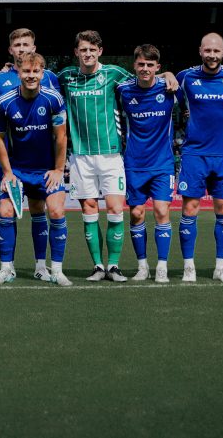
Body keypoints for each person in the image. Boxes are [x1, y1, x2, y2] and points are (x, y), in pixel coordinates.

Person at [0, 28, 61, 280]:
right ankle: (7, 268)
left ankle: (41, 267)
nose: (22, 48)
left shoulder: (49, 79)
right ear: (10, 50)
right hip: (12, 165)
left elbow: (59, 124)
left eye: (27, 44)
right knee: (6, 211)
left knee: (39, 209)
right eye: (17, 44)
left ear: (34, 48)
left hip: (42, 163)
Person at [58, 31, 135, 282]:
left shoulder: (114, 73)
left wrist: (167, 75)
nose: (88, 54)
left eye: (92, 49)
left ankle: (113, 266)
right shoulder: (67, 77)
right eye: (83, 50)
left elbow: (144, 80)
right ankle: (98, 266)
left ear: (100, 51)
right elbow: (36, 79)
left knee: (115, 208)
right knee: (89, 210)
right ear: (76, 52)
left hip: (111, 155)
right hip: (80, 156)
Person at [174, 33, 223, 283]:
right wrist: (165, 74)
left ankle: (221, 268)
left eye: (216, 51)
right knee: (190, 208)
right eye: (208, 50)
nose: (212, 55)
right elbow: (162, 87)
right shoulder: (186, 77)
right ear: (200, 51)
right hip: (194, 153)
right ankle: (188, 267)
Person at [0, 52, 71, 286]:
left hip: (46, 170)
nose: (31, 76)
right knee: (5, 212)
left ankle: (51, 269)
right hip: (17, 170)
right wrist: (7, 172)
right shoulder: (4, 102)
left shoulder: (53, 99)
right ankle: (7, 269)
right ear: (18, 72)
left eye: (35, 72)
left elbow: (61, 137)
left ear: (42, 73)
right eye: (26, 71)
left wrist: (57, 170)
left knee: (54, 211)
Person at [117, 44, 177, 283]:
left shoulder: (171, 88)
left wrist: (169, 75)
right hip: (134, 164)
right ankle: (142, 266)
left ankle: (162, 266)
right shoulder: (122, 90)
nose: (145, 69)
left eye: (150, 65)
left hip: (163, 163)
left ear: (158, 67)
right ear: (134, 65)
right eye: (141, 64)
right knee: (137, 213)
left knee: (162, 212)